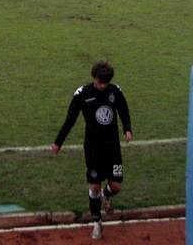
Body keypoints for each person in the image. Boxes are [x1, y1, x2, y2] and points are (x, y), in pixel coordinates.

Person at [51, 61, 132, 241]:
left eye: (106, 83)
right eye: (100, 82)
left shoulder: (115, 91)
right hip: (93, 147)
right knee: (94, 185)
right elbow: (70, 119)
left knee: (116, 186)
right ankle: (97, 222)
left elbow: (123, 109)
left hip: (112, 147)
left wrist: (127, 128)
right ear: (94, 77)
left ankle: (106, 195)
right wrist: (58, 142)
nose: (103, 86)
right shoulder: (82, 94)